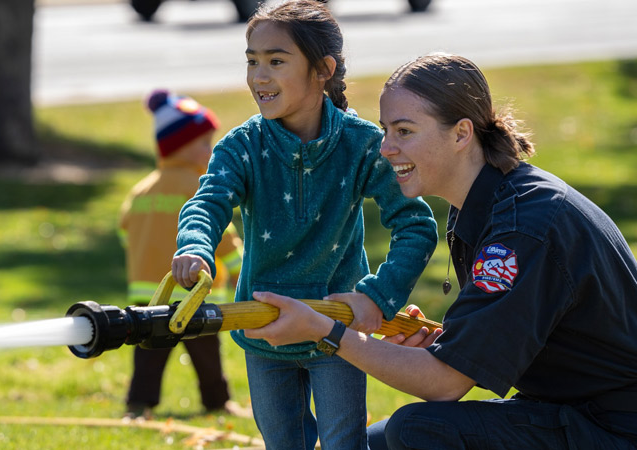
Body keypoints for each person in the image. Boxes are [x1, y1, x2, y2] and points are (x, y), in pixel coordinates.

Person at [244, 53, 637, 449]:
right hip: (571, 411)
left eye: (404, 131)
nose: (386, 148)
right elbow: (505, 335)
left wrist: (325, 332)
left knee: (418, 431)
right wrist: (443, 343)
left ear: (462, 133)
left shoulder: (522, 228)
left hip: (614, 428)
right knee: (377, 442)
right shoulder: (489, 202)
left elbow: (446, 384)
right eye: (385, 130)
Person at [170, 1, 438, 448]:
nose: (259, 76)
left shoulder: (363, 144)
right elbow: (208, 202)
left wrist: (377, 297)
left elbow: (416, 224)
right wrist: (195, 245)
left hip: (336, 336)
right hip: (262, 333)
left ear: (322, 70)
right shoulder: (241, 148)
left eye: (276, 61)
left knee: (342, 444)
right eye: (252, 61)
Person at [119, 89, 246, 419]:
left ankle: (138, 406)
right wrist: (241, 269)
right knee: (206, 353)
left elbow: (125, 231)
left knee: (148, 352)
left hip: (148, 294)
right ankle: (218, 402)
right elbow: (224, 237)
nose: (211, 149)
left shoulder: (140, 190)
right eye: (204, 143)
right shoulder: (199, 188)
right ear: (179, 146)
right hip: (195, 294)